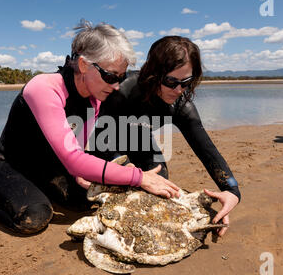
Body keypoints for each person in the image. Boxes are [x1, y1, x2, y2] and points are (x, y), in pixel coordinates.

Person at [0, 21, 180, 235]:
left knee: (83, 202)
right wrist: (139, 177)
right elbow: (73, 158)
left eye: (121, 78)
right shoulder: (44, 88)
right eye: (110, 76)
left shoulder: (94, 97)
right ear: (84, 65)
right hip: (11, 165)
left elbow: (76, 148)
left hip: (51, 166)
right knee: (34, 218)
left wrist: (91, 173)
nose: (116, 86)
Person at [97, 35, 241, 236]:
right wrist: (125, 168)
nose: (178, 90)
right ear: (154, 74)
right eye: (171, 81)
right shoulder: (124, 90)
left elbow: (206, 150)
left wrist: (232, 191)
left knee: (161, 186)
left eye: (186, 82)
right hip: (109, 143)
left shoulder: (181, 105)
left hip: (141, 141)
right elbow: (100, 136)